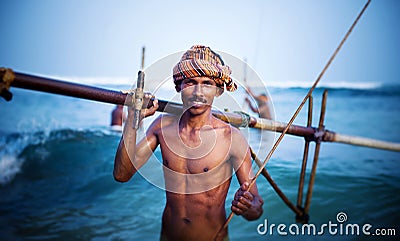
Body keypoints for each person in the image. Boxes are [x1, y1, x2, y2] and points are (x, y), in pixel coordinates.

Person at [113, 45, 264, 241]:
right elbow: (122, 174)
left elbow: (256, 208)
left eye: (207, 83)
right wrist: (133, 118)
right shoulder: (162, 127)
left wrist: (248, 207)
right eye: (190, 82)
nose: (198, 92)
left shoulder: (231, 138)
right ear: (179, 87)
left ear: (218, 90)